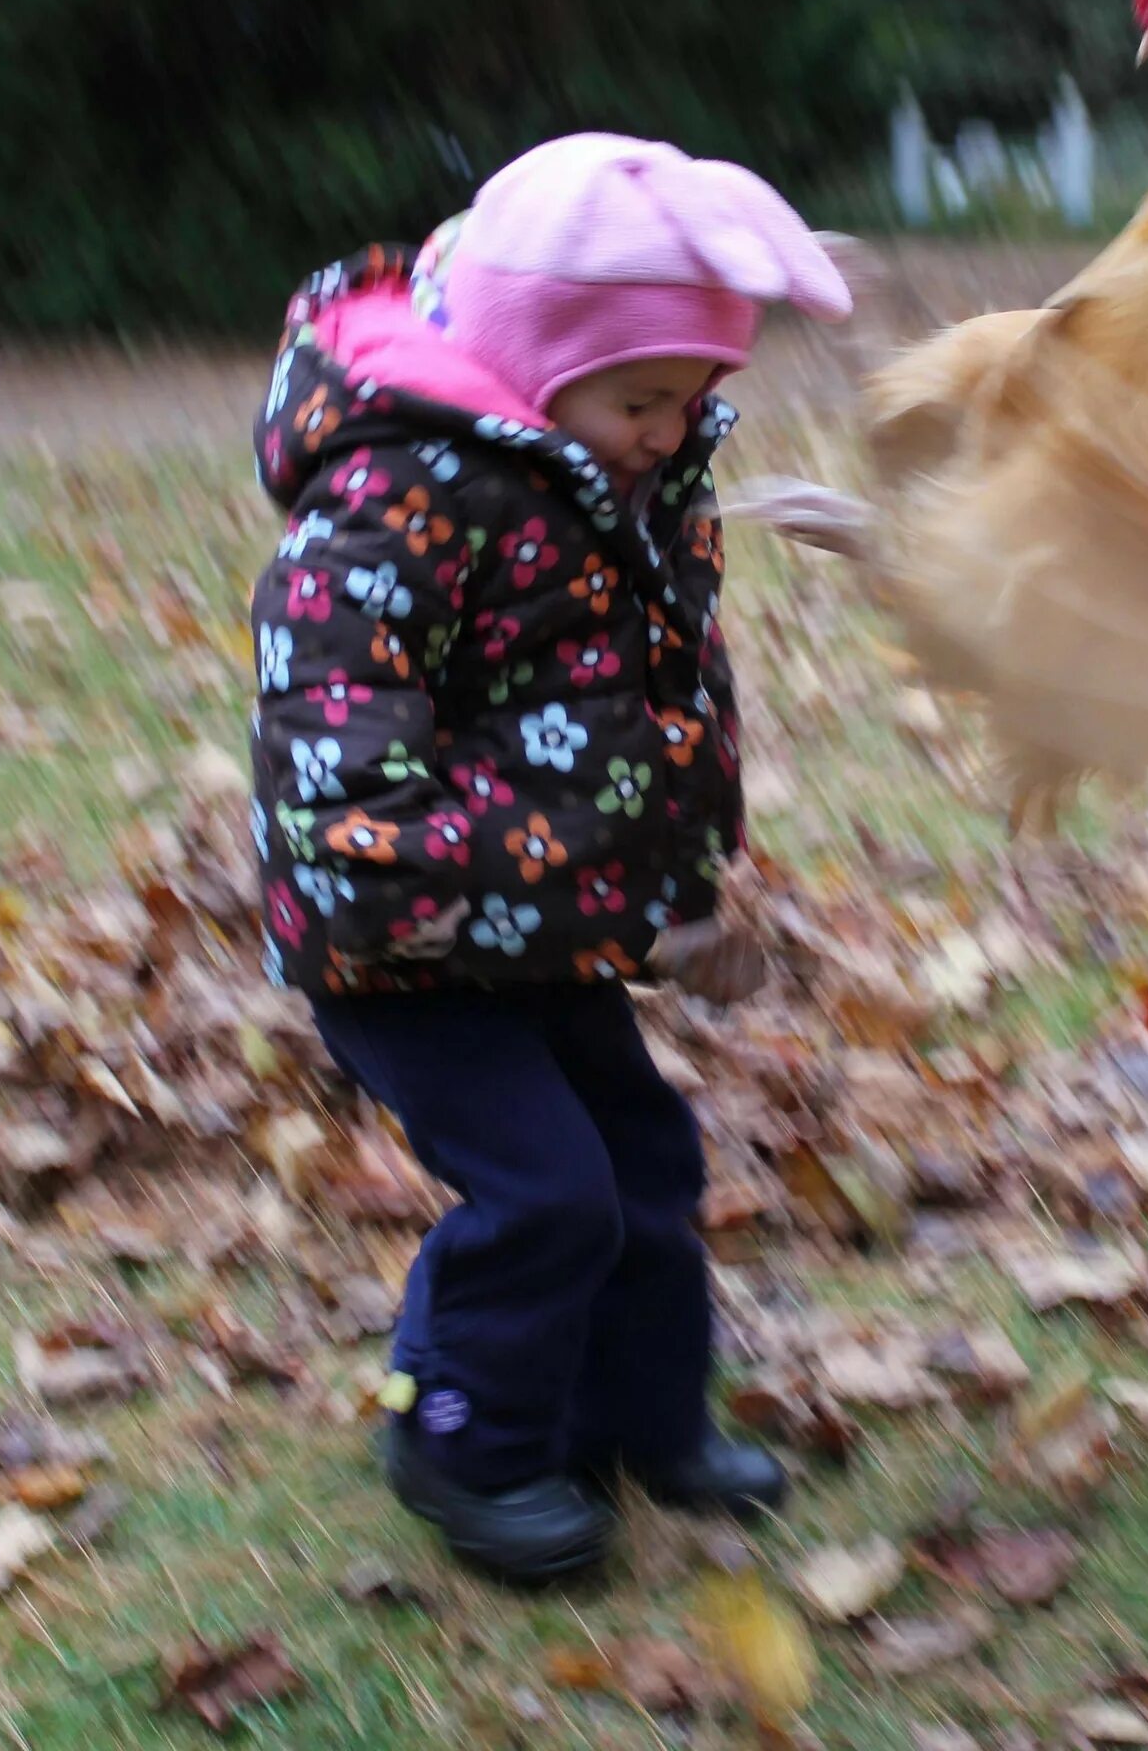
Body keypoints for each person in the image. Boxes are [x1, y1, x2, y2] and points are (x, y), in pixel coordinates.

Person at [247, 134, 851, 1581]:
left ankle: (643, 1422)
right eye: (643, 396)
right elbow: (337, 755)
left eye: (693, 399)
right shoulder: (394, 498)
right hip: (401, 944)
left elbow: (643, 719)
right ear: (536, 360)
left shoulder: (611, 488)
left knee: (643, 1155)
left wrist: (673, 901)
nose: (668, 428)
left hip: (540, 923)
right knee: (543, 1191)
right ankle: (463, 1439)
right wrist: (462, 893)